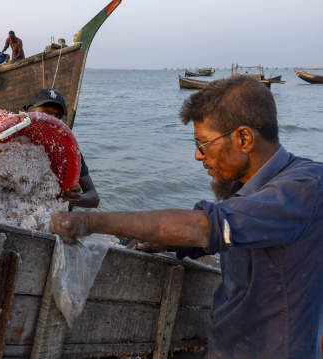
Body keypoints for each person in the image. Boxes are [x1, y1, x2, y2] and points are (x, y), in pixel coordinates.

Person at [49, 76, 323, 358]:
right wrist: (169, 243)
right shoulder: (244, 188)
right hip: (224, 345)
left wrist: (90, 221)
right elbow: (231, 231)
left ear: (244, 138)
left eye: (203, 143)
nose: (197, 155)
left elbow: (203, 226)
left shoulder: (305, 187)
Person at [25, 88, 99, 209]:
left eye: (58, 117)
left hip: (54, 215)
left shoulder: (69, 151)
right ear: (27, 111)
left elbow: (94, 199)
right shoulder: (12, 140)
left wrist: (75, 198)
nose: (52, 121)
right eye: (45, 114)